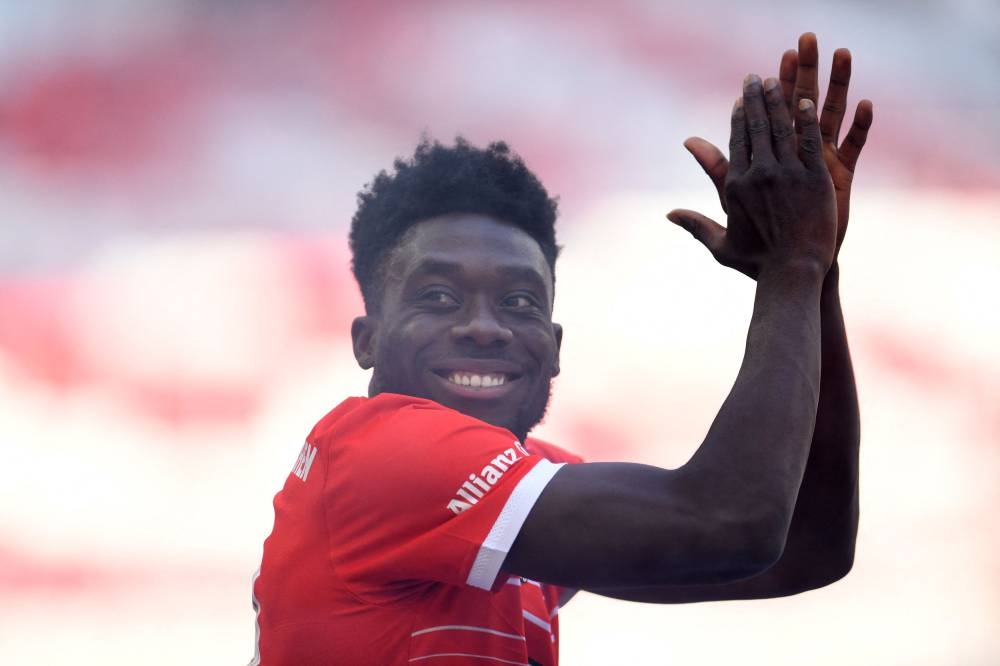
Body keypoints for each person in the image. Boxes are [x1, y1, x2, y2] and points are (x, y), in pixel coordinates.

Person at [249, 32, 873, 665]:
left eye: (520, 303)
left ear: (553, 348)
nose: (484, 328)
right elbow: (731, 523)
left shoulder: (514, 492)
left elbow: (806, 549)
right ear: (368, 340)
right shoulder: (381, 455)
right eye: (437, 297)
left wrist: (817, 271)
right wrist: (795, 263)